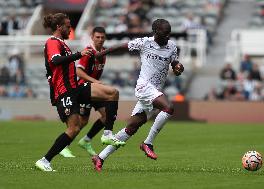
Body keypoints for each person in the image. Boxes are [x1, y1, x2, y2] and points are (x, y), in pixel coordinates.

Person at [91, 19, 184, 172]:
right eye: (164, 33)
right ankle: (148, 143)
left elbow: (175, 66)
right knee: (169, 108)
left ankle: (99, 157)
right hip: (144, 87)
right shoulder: (145, 43)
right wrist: (102, 53)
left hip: (154, 91)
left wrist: (179, 68)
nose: (167, 36)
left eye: (169, 33)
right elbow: (122, 45)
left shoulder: (172, 47)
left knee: (131, 128)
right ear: (155, 32)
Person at [35, 13, 125, 172]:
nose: (70, 30)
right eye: (68, 26)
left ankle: (107, 134)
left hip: (74, 89)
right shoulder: (52, 42)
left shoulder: (63, 44)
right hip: (63, 91)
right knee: (74, 128)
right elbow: (55, 61)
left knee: (112, 93)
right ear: (59, 27)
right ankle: (45, 160)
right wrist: (79, 54)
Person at [75, 26, 117, 156]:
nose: (100, 39)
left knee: (106, 115)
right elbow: (78, 71)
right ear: (92, 37)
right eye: (97, 37)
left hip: (94, 90)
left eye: (102, 37)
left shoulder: (103, 53)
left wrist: (95, 82)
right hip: (84, 89)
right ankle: (65, 145)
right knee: (82, 122)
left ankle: (86, 140)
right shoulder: (88, 51)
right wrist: (94, 81)